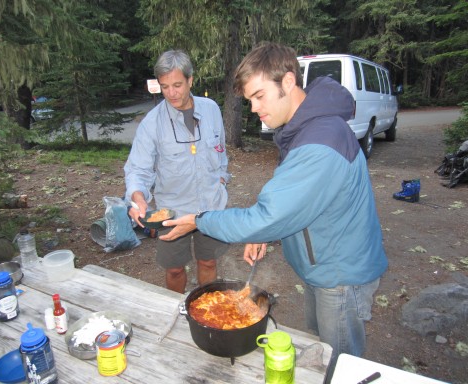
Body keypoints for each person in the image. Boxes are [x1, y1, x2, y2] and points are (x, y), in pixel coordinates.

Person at [161, 43, 388, 369]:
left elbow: (268, 214)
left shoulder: (320, 141)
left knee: (342, 362)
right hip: (322, 263)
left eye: (259, 96)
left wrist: (200, 220)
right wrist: (268, 233)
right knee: (320, 341)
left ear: (288, 82)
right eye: (250, 100)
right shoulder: (304, 128)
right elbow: (300, 202)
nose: (254, 109)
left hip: (341, 273)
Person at [124, 49, 230, 293]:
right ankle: (176, 310)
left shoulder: (211, 109)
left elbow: (221, 151)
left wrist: (222, 179)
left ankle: (208, 309)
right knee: (174, 268)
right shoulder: (152, 123)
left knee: (208, 260)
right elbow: (137, 169)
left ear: (190, 80)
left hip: (210, 208)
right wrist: (138, 197)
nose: (171, 93)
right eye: (164, 86)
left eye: (177, 85)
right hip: (172, 212)